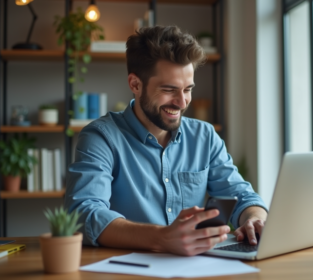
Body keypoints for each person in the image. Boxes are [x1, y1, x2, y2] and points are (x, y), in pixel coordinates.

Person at [65, 26, 267, 256]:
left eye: (188, 89)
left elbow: (242, 196)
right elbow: (83, 213)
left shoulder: (204, 136)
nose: (182, 102)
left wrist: (254, 219)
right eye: (169, 90)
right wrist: (162, 238)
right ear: (135, 84)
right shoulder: (101, 137)